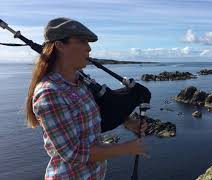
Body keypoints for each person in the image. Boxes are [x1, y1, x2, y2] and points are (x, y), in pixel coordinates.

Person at [25, 17, 148, 179]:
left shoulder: (80, 81)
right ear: (60, 45)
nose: (89, 49)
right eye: (82, 42)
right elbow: (73, 153)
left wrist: (127, 122)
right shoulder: (50, 93)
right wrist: (126, 148)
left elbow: (99, 111)